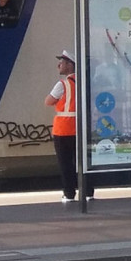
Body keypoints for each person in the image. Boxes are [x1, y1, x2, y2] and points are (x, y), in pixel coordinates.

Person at [45, 49, 94, 202]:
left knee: (65, 163)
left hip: (63, 129)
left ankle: (69, 193)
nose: (59, 65)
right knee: (83, 161)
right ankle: (88, 192)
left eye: (62, 62)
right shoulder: (85, 82)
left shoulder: (63, 84)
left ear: (70, 65)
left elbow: (48, 101)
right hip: (82, 128)